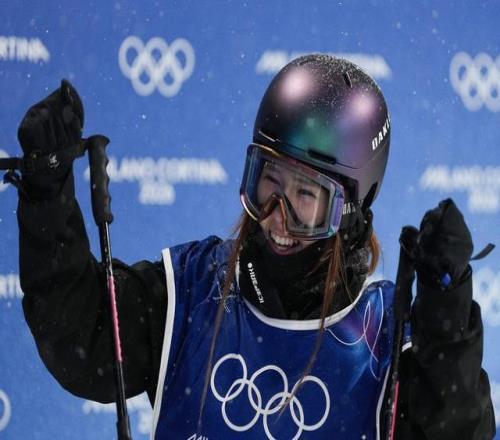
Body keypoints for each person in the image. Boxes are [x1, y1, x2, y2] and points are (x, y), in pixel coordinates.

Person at [15, 54, 495, 439]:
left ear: (351, 208)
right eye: (269, 181)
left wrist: (446, 316)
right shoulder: (191, 291)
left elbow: (457, 430)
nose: (276, 215)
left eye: (305, 196)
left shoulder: (386, 335)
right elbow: (81, 338)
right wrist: (48, 196)